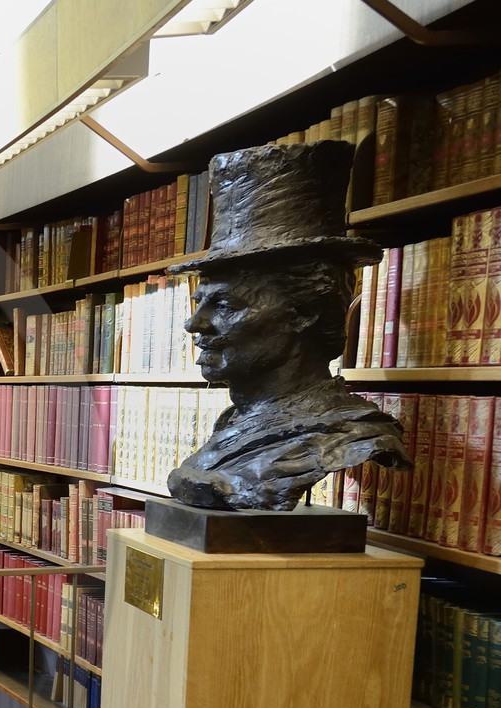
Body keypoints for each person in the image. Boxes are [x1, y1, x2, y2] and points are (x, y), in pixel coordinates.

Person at [163, 140, 410, 511]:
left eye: (226, 305)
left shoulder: (347, 432)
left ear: (305, 311)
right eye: (200, 303)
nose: (194, 324)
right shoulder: (232, 427)